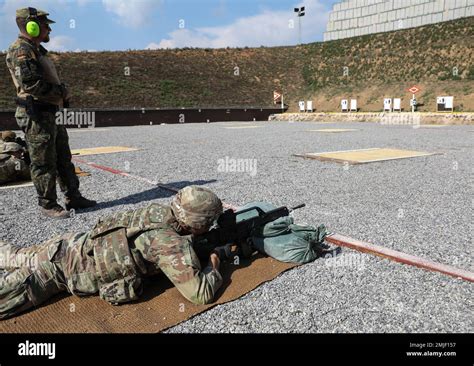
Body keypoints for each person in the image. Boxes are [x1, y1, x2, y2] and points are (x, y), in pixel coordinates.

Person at [0, 186, 235, 320]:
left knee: (13, 255)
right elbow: (200, 294)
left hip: (67, 244)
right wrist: (214, 261)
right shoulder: (171, 244)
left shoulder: (158, 213)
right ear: (197, 222)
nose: (212, 225)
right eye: (210, 221)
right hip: (56, 272)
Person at [5, 7, 96, 219]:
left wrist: (62, 98)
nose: (49, 31)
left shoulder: (37, 50)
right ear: (32, 26)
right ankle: (48, 204)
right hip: (37, 114)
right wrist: (61, 91)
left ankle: (73, 196)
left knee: (64, 157)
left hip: (52, 112)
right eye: (46, 25)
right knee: (43, 161)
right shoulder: (21, 51)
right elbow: (32, 85)